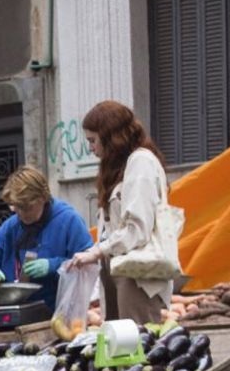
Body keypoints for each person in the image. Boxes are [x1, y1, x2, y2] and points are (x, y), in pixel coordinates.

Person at [69, 100, 172, 323]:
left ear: (111, 136)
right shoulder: (119, 168)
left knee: (135, 342)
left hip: (136, 273)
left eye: (93, 140)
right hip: (117, 267)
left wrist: (97, 251)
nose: (91, 148)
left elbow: (137, 228)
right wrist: (96, 253)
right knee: (117, 343)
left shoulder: (141, 162)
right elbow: (112, 229)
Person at [0, 166, 93, 311]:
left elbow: (89, 266)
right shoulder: (11, 227)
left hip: (60, 312)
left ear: (43, 197)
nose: (22, 214)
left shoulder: (69, 221)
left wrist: (54, 266)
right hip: (18, 309)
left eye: (27, 208)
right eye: (17, 208)